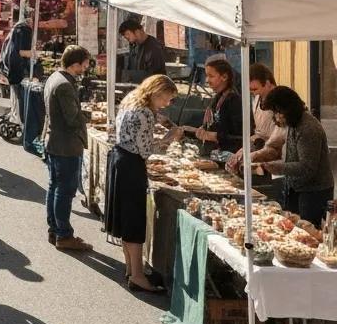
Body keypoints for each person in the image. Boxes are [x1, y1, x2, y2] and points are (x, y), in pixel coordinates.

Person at [104, 74, 181, 292]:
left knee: (126, 218)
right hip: (131, 166)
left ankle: (131, 268)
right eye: (166, 98)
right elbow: (146, 150)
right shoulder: (145, 112)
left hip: (119, 159)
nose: (167, 103)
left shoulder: (131, 100)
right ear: (156, 91)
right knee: (134, 220)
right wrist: (169, 137)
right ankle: (137, 275)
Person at [259, 86, 334, 226]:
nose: (277, 116)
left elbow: (307, 167)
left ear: (288, 109)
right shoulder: (294, 124)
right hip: (297, 187)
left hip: (313, 192)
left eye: (278, 112)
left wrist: (279, 167)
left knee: (306, 231)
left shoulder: (307, 128)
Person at [42, 45, 93, 252]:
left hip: (55, 142)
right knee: (64, 191)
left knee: (55, 187)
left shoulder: (55, 78)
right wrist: (88, 115)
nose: (86, 68)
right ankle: (63, 235)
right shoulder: (64, 84)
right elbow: (72, 118)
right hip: (65, 145)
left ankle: (55, 230)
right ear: (75, 64)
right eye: (85, 64)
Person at [190, 56, 242, 153]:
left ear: (224, 77)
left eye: (211, 76)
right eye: (207, 76)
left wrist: (214, 136)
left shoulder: (234, 101)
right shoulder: (219, 97)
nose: (207, 80)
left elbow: (240, 137)